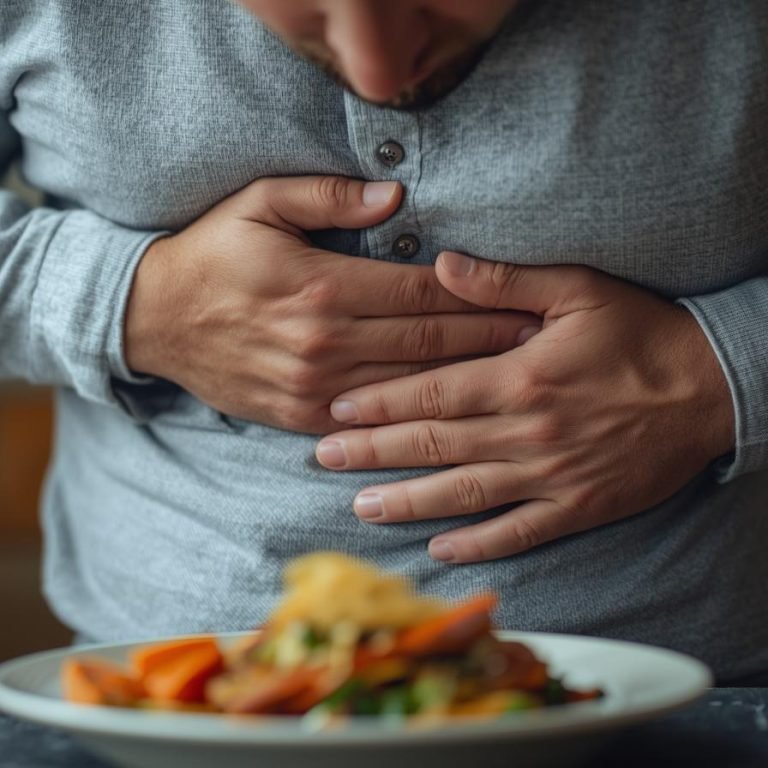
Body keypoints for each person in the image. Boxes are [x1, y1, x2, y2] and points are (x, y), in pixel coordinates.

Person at [0, 0, 766, 682]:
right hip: (158, 691)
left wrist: (718, 375)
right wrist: (134, 305)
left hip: (706, 691)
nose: (377, 68)